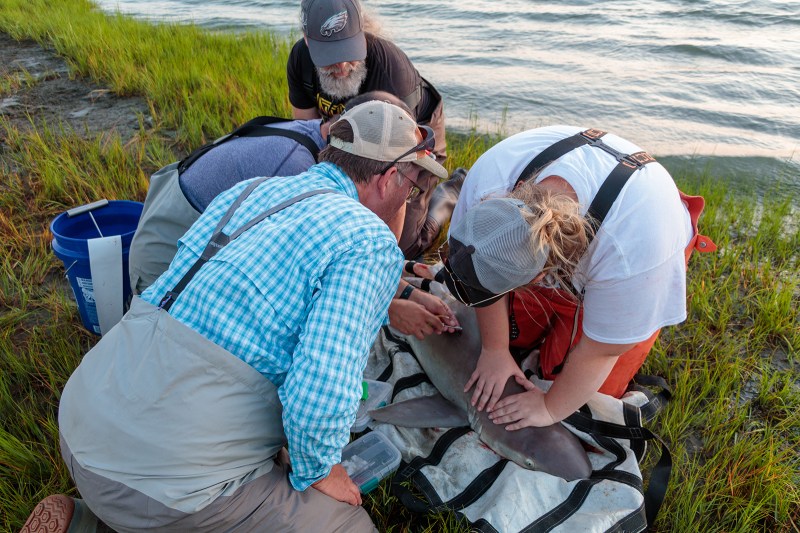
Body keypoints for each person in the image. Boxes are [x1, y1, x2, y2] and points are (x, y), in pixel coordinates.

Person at [22, 101, 449, 533]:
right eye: (412, 190)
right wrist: (322, 472)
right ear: (388, 178)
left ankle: (89, 518)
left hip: (83, 418)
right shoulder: (369, 240)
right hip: (166, 480)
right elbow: (318, 396)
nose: (409, 201)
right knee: (346, 523)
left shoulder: (252, 190)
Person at [437, 125, 716, 429]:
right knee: (514, 337)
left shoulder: (632, 251)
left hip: (641, 235)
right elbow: (483, 272)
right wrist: (495, 350)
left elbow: (602, 350)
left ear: (541, 276)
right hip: (584, 232)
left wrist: (548, 408)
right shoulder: (488, 182)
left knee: (582, 394)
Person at [127, 90, 458, 340]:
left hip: (180, 238)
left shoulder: (319, 145)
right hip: (164, 263)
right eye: (409, 184)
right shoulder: (297, 175)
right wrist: (388, 310)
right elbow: (294, 283)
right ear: (385, 174)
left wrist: (404, 290)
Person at [288, 0, 454, 258]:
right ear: (308, 42)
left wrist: (389, 255)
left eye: (348, 51)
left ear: (361, 31)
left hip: (413, 141)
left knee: (403, 244)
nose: (342, 67)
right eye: (330, 58)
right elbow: (306, 136)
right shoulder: (299, 60)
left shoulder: (391, 71)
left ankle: (450, 192)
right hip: (350, 139)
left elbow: (399, 164)